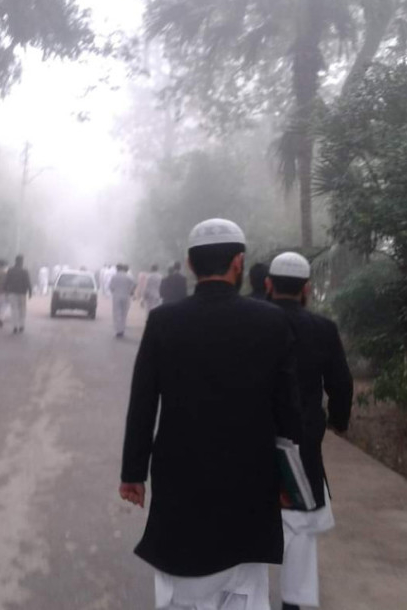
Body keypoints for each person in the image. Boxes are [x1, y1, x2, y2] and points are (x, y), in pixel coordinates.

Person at [120, 218, 303, 610]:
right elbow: (289, 410)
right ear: (239, 262)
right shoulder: (271, 322)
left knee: (181, 584)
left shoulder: (164, 321)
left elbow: (143, 402)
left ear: (189, 264)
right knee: (244, 588)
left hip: (181, 478)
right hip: (250, 480)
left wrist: (133, 472)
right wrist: (289, 479)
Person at [266, 252, 353, 610]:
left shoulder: (252, 323)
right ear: (306, 288)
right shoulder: (322, 328)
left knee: (244, 516)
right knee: (299, 524)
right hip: (302, 441)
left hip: (249, 438)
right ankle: (293, 603)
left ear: (268, 284)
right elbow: (341, 384)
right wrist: (337, 420)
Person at [5, 255, 33, 334]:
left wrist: (5, 290)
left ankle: (15, 326)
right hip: (22, 293)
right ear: (21, 262)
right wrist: (30, 291)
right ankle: (21, 325)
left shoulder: (10, 270)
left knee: (14, 309)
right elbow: (28, 282)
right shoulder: (24, 271)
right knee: (22, 309)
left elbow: (7, 281)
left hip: (12, 292)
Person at [109, 264, 136, 338]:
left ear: (118, 269)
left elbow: (111, 287)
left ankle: (118, 330)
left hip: (117, 296)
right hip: (126, 296)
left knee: (117, 313)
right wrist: (130, 291)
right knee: (124, 313)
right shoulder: (129, 277)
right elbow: (134, 285)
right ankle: (122, 329)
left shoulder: (114, 277)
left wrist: (114, 292)